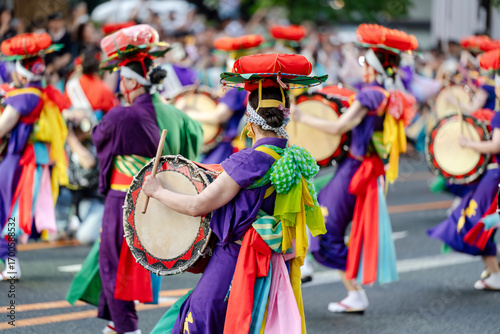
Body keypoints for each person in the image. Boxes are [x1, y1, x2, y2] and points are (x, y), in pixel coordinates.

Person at [147, 53, 326, 333]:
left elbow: (197, 205)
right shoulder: (289, 154)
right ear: (285, 116)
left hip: (236, 257)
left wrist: (157, 192)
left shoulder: (249, 161)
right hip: (264, 260)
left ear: (250, 118)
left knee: (201, 319)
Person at [65, 24, 203, 334]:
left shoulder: (122, 116)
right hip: (160, 196)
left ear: (129, 81)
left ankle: (127, 327)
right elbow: (194, 141)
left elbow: (99, 138)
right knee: (122, 262)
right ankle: (118, 321)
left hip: (123, 197)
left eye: (120, 77)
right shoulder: (177, 115)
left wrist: (76, 134)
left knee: (113, 262)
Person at [291, 23, 417, 313]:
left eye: (364, 61)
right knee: (317, 209)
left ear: (373, 66)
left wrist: (301, 116)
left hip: (357, 168)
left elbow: (339, 125)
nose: (361, 66)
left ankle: (353, 289)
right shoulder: (383, 91)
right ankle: (316, 267)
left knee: (326, 226)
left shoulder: (371, 93)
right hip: (360, 166)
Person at [428, 48, 500, 290]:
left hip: (494, 172)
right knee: (481, 220)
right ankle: (494, 272)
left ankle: (495, 272)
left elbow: (496, 145)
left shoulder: (495, 104)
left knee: (476, 220)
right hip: (492, 172)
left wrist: (469, 143)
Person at [0, 32, 68, 280]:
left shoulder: (26, 96)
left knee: (6, 213)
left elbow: (2, 126)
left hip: (18, 160)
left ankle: (9, 264)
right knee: (9, 212)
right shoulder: (41, 92)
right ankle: (9, 263)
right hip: (26, 160)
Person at [55, 46, 119, 244]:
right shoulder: (104, 89)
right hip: (95, 144)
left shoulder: (71, 84)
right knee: (92, 188)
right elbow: (113, 117)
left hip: (71, 142)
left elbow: (63, 111)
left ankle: (62, 225)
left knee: (67, 184)